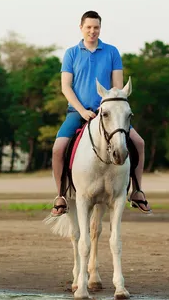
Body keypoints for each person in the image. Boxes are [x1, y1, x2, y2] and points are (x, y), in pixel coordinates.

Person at [50, 11, 152, 216]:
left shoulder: (112, 52)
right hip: (79, 112)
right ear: (81, 28)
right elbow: (66, 87)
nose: (92, 31)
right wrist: (82, 111)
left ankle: (137, 191)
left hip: (109, 114)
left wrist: (113, 108)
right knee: (58, 148)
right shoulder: (71, 53)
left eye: (96, 27)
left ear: (100, 29)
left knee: (139, 143)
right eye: (88, 27)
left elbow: (117, 87)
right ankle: (60, 195)